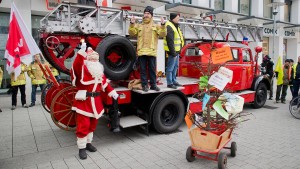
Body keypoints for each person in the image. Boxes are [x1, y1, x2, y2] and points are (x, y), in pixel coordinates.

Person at [71, 43, 119, 160]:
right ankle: (81, 148)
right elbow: (77, 66)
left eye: (96, 60)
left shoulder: (98, 72)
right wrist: (81, 54)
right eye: (92, 59)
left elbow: (105, 84)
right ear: (87, 60)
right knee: (84, 125)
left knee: (92, 125)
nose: (94, 61)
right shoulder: (82, 70)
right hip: (84, 102)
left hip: (96, 102)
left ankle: (88, 144)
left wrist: (112, 92)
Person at [128, 6, 167, 92]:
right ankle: (144, 85)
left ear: (151, 15)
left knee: (152, 70)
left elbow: (163, 34)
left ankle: (153, 85)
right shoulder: (139, 25)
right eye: (145, 13)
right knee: (142, 70)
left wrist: (163, 25)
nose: (146, 15)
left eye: (148, 13)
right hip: (142, 52)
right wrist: (131, 23)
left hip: (151, 52)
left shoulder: (156, 26)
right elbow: (131, 33)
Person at [164, 13, 184, 89]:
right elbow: (170, 41)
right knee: (170, 68)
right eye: (177, 18)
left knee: (175, 66)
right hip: (173, 52)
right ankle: (170, 83)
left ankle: (174, 81)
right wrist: (173, 52)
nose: (178, 19)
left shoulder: (175, 25)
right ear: (173, 18)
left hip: (176, 51)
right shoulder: (169, 26)